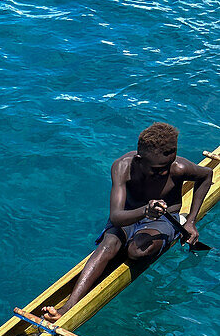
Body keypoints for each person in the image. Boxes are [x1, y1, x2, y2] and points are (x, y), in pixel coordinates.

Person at [42, 123, 213, 323]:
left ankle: (172, 227)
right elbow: (115, 216)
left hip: (164, 220)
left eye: (167, 166)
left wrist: (191, 221)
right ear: (139, 160)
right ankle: (68, 307)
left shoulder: (179, 167)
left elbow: (207, 175)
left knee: (135, 251)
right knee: (109, 244)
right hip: (129, 217)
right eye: (157, 170)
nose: (164, 173)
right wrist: (144, 211)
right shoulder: (122, 167)